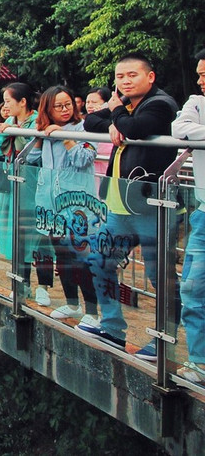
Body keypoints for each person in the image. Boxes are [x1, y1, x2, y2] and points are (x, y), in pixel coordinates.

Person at [76, 54, 179, 360]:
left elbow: (136, 128)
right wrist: (114, 122)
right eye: (119, 77)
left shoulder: (161, 104)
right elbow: (90, 120)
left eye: (131, 75)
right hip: (120, 208)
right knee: (99, 259)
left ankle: (165, 343)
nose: (124, 81)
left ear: (151, 77)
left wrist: (116, 111)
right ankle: (112, 328)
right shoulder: (130, 108)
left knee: (160, 276)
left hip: (152, 207)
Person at [27, 86, 100, 325]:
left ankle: (92, 312)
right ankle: (72, 303)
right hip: (51, 206)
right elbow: (31, 160)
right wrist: (40, 138)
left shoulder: (84, 128)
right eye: (58, 106)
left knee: (81, 257)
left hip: (77, 206)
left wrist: (65, 138)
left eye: (68, 103)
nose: (65, 109)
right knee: (63, 256)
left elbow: (83, 159)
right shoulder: (47, 132)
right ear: (48, 109)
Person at [0, 82, 49, 304]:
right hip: (12, 186)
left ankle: (43, 285)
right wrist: (4, 132)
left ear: (22, 102)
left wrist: (17, 133)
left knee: (40, 234)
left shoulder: (38, 121)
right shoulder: (8, 122)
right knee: (17, 235)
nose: (5, 106)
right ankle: (21, 283)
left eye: (8, 101)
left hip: (35, 187)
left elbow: (37, 151)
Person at [173, 48, 205, 384]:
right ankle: (199, 361)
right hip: (203, 216)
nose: (199, 80)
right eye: (198, 73)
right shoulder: (196, 103)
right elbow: (180, 129)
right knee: (192, 289)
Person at [85, 87, 113, 176]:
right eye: (87, 102)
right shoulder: (84, 123)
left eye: (94, 102)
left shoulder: (113, 123)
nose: (89, 105)